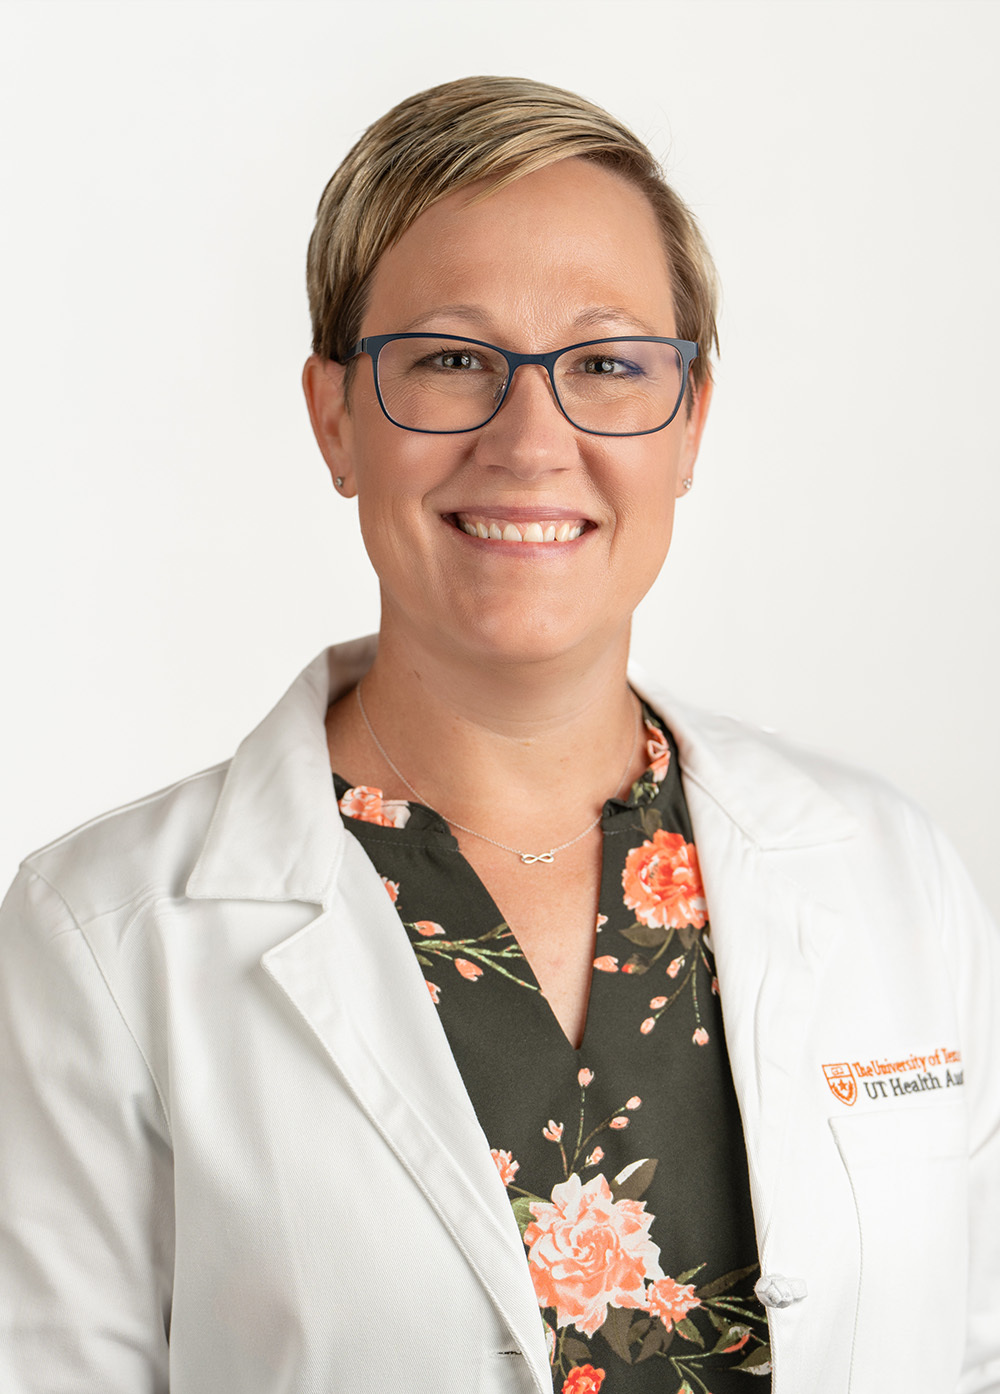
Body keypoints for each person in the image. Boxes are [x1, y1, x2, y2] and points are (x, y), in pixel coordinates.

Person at [0, 75, 997, 1394]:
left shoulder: (888, 871)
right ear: (335, 416)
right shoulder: (105, 938)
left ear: (689, 420)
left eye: (606, 363)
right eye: (453, 359)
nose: (534, 441)